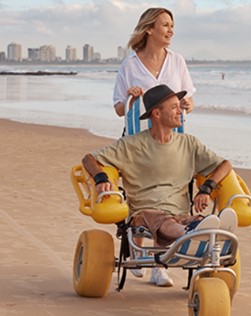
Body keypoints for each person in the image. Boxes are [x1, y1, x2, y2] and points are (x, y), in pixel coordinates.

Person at [82, 85, 232, 287]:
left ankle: (201, 231)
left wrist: (206, 189)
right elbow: (89, 159)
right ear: (157, 113)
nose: (181, 111)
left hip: (180, 214)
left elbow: (225, 165)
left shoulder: (189, 143)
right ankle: (192, 234)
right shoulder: (131, 145)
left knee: (197, 220)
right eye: (174, 108)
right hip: (145, 213)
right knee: (165, 220)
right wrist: (101, 178)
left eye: (180, 107)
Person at [113, 7, 196, 118]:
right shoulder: (129, 65)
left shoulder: (177, 61)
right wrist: (132, 101)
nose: (171, 31)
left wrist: (187, 105)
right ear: (149, 29)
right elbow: (119, 110)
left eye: (172, 26)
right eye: (165, 25)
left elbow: (190, 103)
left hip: (172, 134)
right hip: (139, 134)